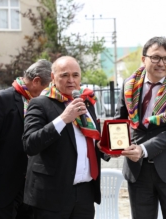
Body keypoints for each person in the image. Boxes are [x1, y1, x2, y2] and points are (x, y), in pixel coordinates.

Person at [113, 36, 166, 219]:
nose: (161, 63)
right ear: (144, 59)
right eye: (156, 57)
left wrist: (144, 149)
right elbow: (121, 121)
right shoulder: (129, 85)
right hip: (138, 170)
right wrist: (110, 146)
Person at [22, 56, 107, 219]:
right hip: (52, 194)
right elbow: (30, 144)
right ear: (53, 78)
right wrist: (63, 119)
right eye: (64, 75)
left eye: (75, 75)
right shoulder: (39, 104)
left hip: (85, 194)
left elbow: (91, 141)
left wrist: (107, 150)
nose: (71, 80)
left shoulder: (87, 103)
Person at [0, 59, 52, 219]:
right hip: (1, 190)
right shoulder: (1, 100)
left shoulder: (43, 104)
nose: (50, 92)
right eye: (48, 87)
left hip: (31, 190)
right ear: (36, 81)